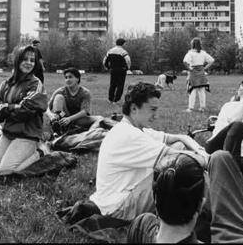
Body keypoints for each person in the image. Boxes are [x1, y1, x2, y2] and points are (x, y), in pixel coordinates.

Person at [89, 82, 209, 221]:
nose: (156, 116)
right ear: (134, 109)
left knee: (178, 148)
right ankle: (215, 210)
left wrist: (201, 151)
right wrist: (208, 160)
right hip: (119, 207)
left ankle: (207, 205)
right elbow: (181, 159)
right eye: (152, 109)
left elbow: (180, 138)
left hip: (123, 195)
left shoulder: (136, 129)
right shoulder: (129, 135)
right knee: (181, 171)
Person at [0, 45, 48, 177]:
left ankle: (41, 152)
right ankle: (5, 160)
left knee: (4, 171)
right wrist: (13, 106)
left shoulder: (36, 84)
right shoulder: (6, 84)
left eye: (32, 60)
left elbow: (26, 111)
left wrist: (5, 107)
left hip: (27, 135)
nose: (29, 63)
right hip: (8, 133)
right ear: (17, 60)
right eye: (25, 59)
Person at [46, 67, 100, 135]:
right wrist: (51, 115)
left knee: (100, 119)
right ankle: (58, 127)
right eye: (66, 77)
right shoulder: (61, 90)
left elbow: (84, 112)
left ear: (77, 79)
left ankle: (88, 132)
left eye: (70, 77)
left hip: (78, 119)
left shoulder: (85, 92)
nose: (68, 80)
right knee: (59, 97)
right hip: (64, 116)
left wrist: (70, 119)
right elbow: (47, 106)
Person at [182, 37, 214, 113]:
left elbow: (185, 62)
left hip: (193, 73)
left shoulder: (190, 53)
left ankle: (191, 108)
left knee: (193, 90)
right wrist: (205, 68)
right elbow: (212, 61)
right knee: (202, 90)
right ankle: (202, 107)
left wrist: (190, 69)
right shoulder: (203, 53)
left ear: (192, 45)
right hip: (202, 72)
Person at [103, 38, 131, 105]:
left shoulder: (110, 51)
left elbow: (104, 60)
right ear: (123, 44)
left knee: (112, 85)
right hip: (121, 70)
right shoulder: (123, 52)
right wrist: (128, 68)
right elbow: (128, 60)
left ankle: (110, 99)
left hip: (113, 70)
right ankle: (116, 100)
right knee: (120, 85)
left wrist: (107, 67)